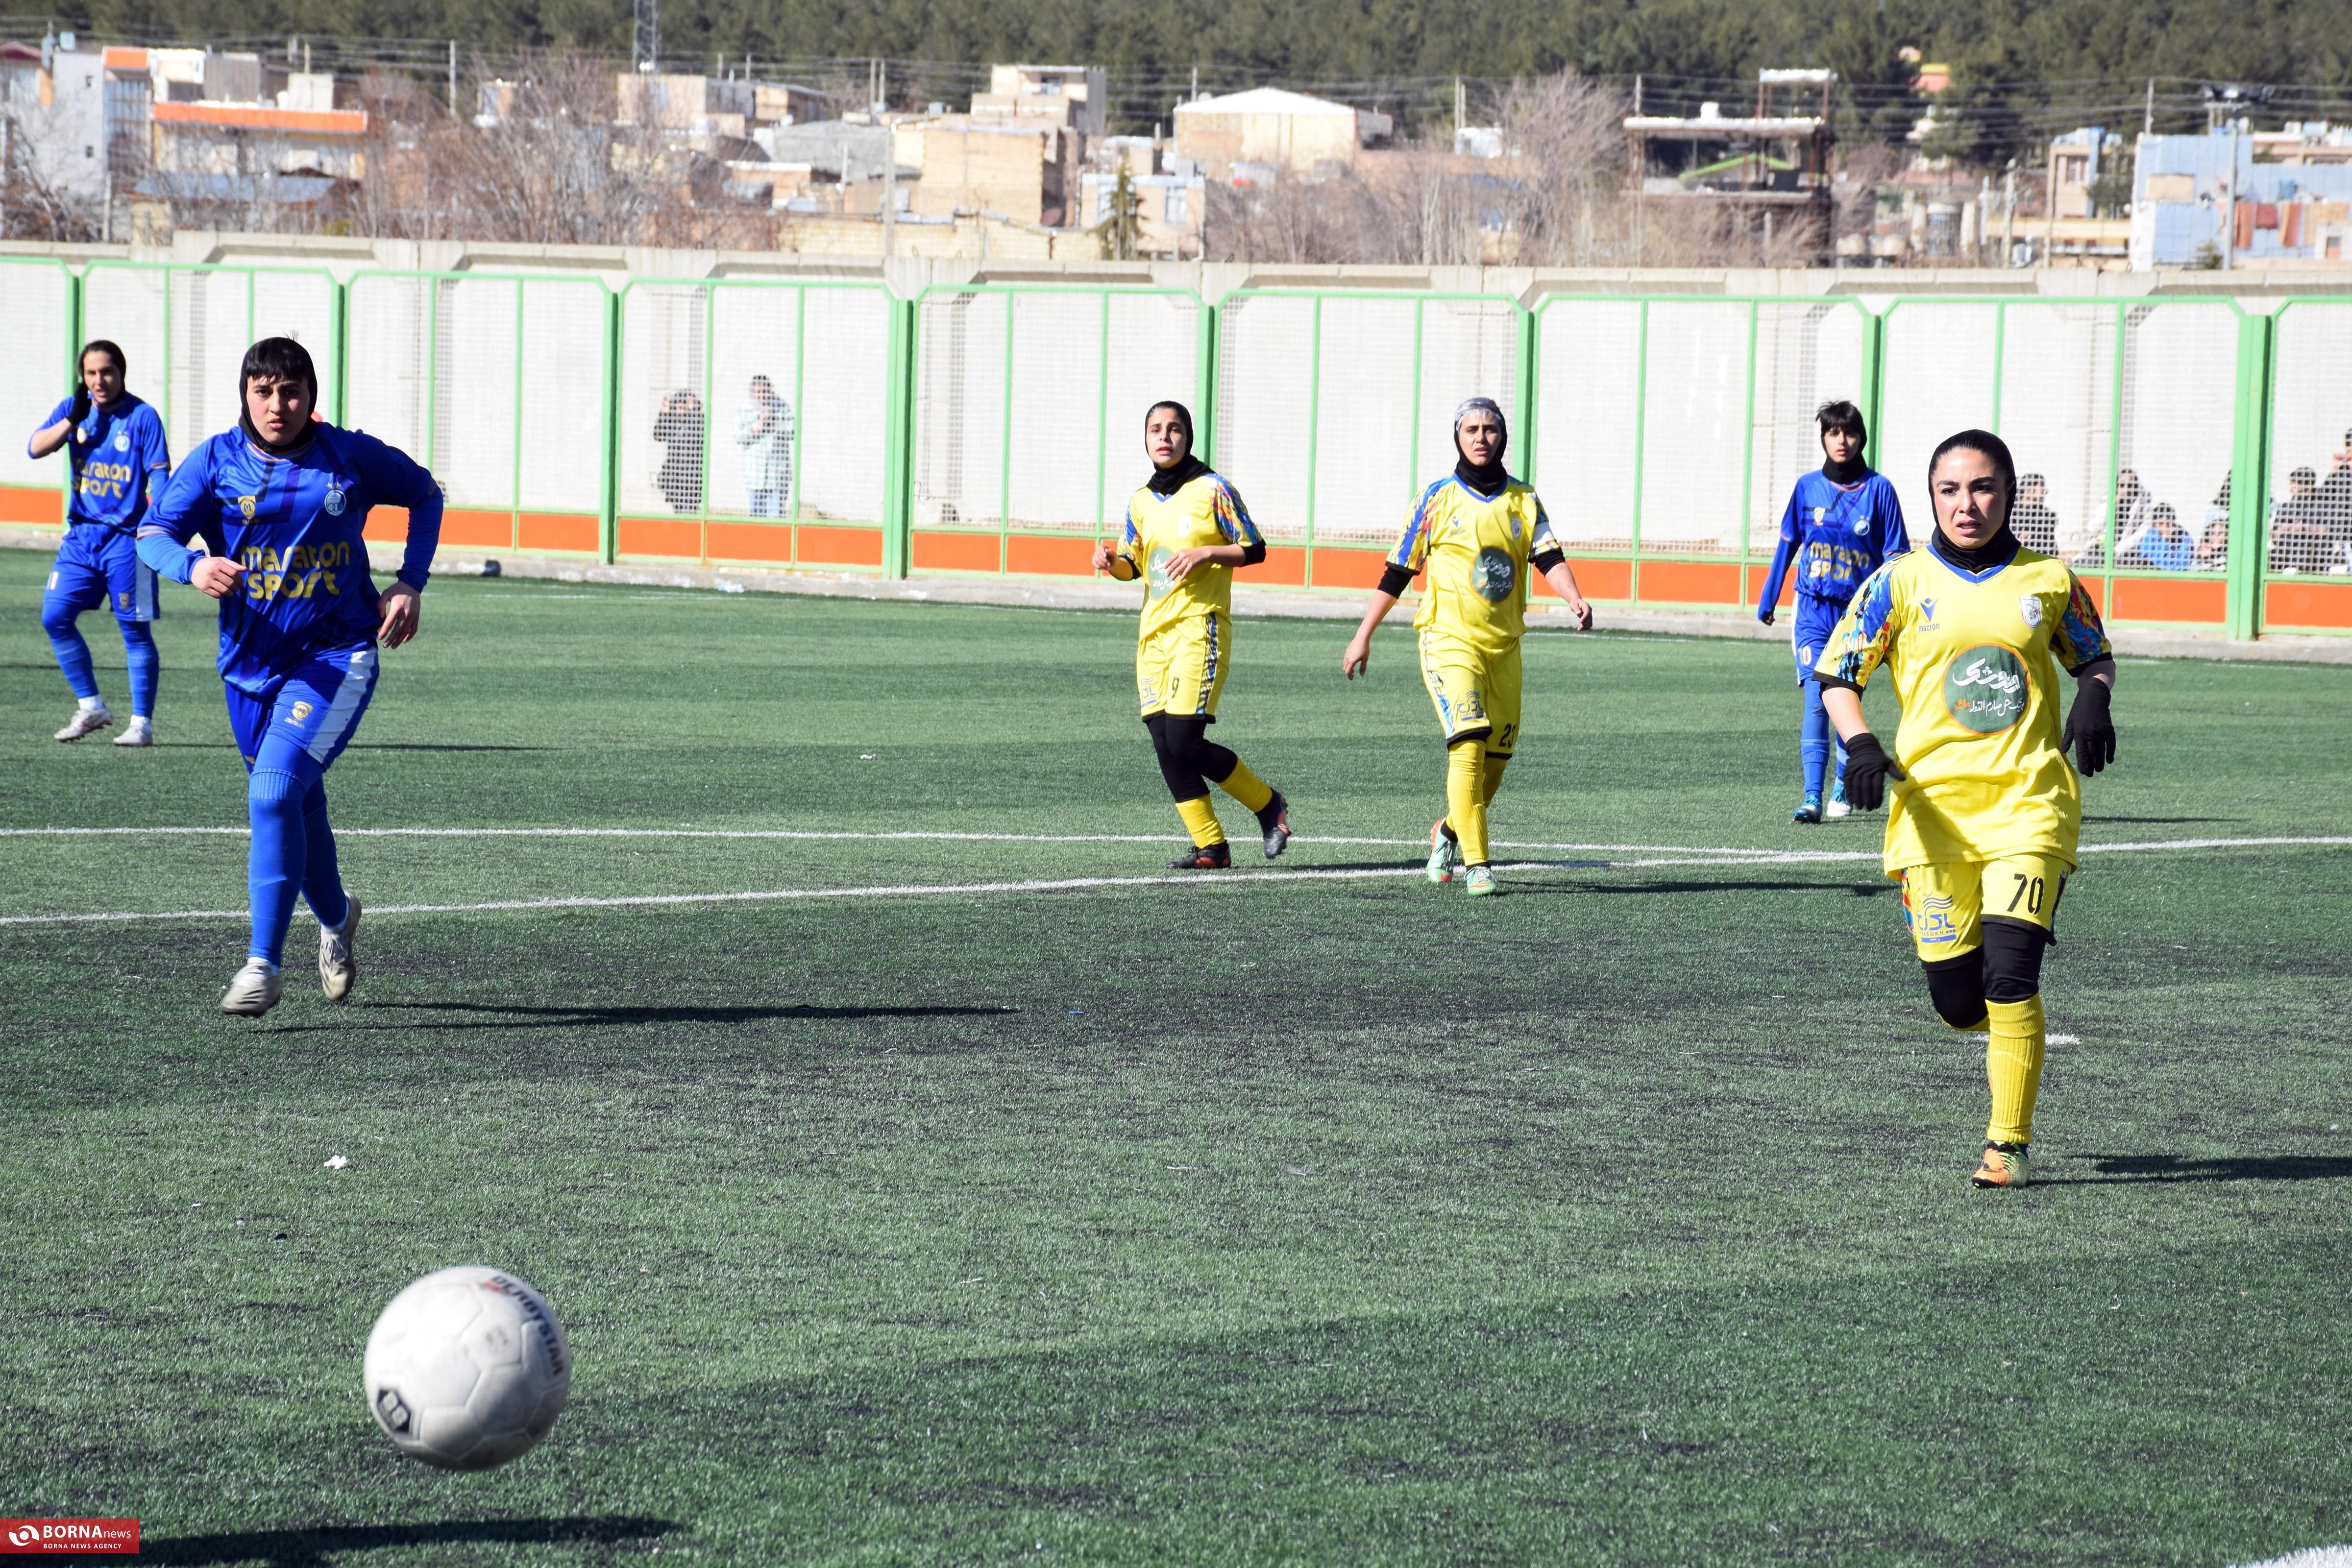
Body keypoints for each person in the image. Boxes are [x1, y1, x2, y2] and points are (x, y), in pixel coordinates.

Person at [1815, 428, 2118, 1190]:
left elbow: (2094, 652)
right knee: (1959, 1003)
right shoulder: (1898, 581)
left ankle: (2007, 1143)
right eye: (1949, 490)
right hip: (1932, 816)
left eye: (1982, 487)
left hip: (2029, 805)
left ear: (2010, 492)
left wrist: (2093, 696)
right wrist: (1859, 745)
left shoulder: (2048, 579)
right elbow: (1839, 674)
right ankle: (2014, 1041)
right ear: (1932, 498)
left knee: (2012, 974)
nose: (1967, 504)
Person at [136, 338, 444, 1017]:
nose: (279, 406)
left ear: (312, 394)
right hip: (249, 668)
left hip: (337, 656)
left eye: (292, 391)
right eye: (264, 391)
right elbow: (152, 534)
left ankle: (262, 965)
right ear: (245, 394)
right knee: (296, 803)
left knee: (274, 792)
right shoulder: (216, 461)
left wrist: (410, 582)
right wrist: (188, 566)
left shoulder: (349, 456)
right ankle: (336, 921)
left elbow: (425, 494)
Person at [1341, 397, 1593, 897]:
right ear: (1457, 437)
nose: (1481, 437)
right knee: (1469, 740)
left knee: (1495, 766)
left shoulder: (1524, 499)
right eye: (1471, 429)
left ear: (1503, 437)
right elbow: (1397, 571)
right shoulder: (1435, 498)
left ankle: (1449, 832)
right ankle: (1478, 865)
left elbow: (1549, 556)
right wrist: (1363, 633)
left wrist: (1574, 596)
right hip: (1448, 639)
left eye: (1490, 429)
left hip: (1505, 647)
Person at [1091, 400, 1291, 869]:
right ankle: (1211, 846)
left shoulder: (1213, 489)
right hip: (1153, 637)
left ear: (1189, 437)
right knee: (1165, 745)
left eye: (1175, 429)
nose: (1165, 436)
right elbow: (1134, 564)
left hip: (1200, 627)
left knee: (1184, 741)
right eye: (1156, 429)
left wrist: (1206, 555)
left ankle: (1268, 805)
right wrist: (1110, 563)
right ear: (1145, 438)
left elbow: (1255, 549)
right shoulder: (1140, 500)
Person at [1754, 399, 1909, 823]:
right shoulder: (1806, 488)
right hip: (1812, 611)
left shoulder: (1880, 491)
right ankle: (1811, 797)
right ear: (1823, 437)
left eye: (1850, 433)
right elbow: (1789, 544)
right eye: (1833, 433)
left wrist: (1893, 610)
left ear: (1861, 438)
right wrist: (1768, 600)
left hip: (1857, 616)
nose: (1842, 441)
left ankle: (1844, 782)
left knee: (1844, 697)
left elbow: (1896, 557)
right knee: (1816, 701)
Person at [25, 340, 173, 745]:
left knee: (135, 631)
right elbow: (35, 448)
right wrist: (71, 422)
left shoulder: (143, 417)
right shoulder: (74, 411)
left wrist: (158, 522)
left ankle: (141, 723)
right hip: (81, 539)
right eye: (91, 374)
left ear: (121, 372)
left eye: (106, 372)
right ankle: (91, 706)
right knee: (54, 616)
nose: (99, 381)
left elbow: (159, 474)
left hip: (127, 542)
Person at [735, 375, 795, 518]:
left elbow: (793, 431)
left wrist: (774, 424)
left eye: (764, 392)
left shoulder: (782, 407)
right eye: (757, 392)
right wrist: (756, 428)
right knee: (756, 517)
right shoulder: (746, 410)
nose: (761, 396)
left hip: (777, 474)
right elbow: (738, 436)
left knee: (776, 516)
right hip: (755, 474)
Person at [654, 390, 705, 514]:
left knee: (689, 510)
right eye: (677, 403)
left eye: (684, 403)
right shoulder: (672, 422)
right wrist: (664, 413)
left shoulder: (698, 420)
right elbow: (659, 435)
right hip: (675, 475)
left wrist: (693, 411)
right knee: (678, 511)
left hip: (692, 476)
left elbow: (698, 435)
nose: (680, 407)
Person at [2268, 466, 2325, 572]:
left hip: (2309, 553)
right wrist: (2284, 528)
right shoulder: (2286, 507)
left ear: (2307, 487)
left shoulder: (2320, 506)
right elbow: (2274, 536)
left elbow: (2327, 530)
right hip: (2284, 552)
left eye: (2294, 486)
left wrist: (2303, 528)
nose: (2291, 490)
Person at [2119, 503, 2194, 571]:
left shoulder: (2185, 539)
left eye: (2168, 523)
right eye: (2161, 524)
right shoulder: (2152, 534)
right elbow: (2144, 556)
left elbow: (2180, 566)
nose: (2165, 526)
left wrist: (2167, 541)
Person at [2010, 473, 2058, 556]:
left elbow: (2050, 546)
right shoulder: (2010, 511)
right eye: (2042, 486)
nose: (2046, 491)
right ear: (2029, 490)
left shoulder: (2046, 515)